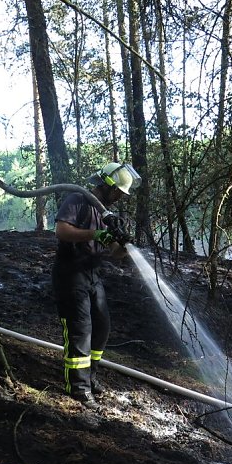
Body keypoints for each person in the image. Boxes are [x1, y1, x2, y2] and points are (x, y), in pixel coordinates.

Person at [52, 162, 141, 407]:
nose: (120, 198)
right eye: (118, 192)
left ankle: (90, 377)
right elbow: (61, 230)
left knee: (102, 326)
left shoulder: (106, 216)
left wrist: (123, 244)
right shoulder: (78, 200)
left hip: (93, 273)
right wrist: (94, 235)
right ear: (107, 184)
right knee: (80, 330)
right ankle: (78, 388)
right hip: (70, 272)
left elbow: (115, 253)